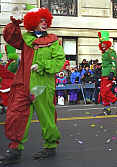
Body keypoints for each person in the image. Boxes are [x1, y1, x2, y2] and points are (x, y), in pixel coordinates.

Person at [0, 6, 65, 165]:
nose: (44, 23)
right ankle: (15, 149)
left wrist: (42, 65)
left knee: (47, 116)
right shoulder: (25, 39)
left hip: (43, 85)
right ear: (33, 22)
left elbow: (59, 61)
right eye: (40, 20)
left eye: (45, 20)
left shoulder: (53, 41)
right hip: (23, 84)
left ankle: (50, 146)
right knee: (16, 115)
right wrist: (15, 23)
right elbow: (10, 38)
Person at [98, 31, 117, 115]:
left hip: (108, 74)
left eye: (103, 43)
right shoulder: (104, 53)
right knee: (102, 92)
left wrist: (112, 72)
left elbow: (113, 63)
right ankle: (107, 108)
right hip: (104, 74)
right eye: (101, 43)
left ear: (107, 43)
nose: (102, 45)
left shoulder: (110, 52)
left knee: (105, 91)